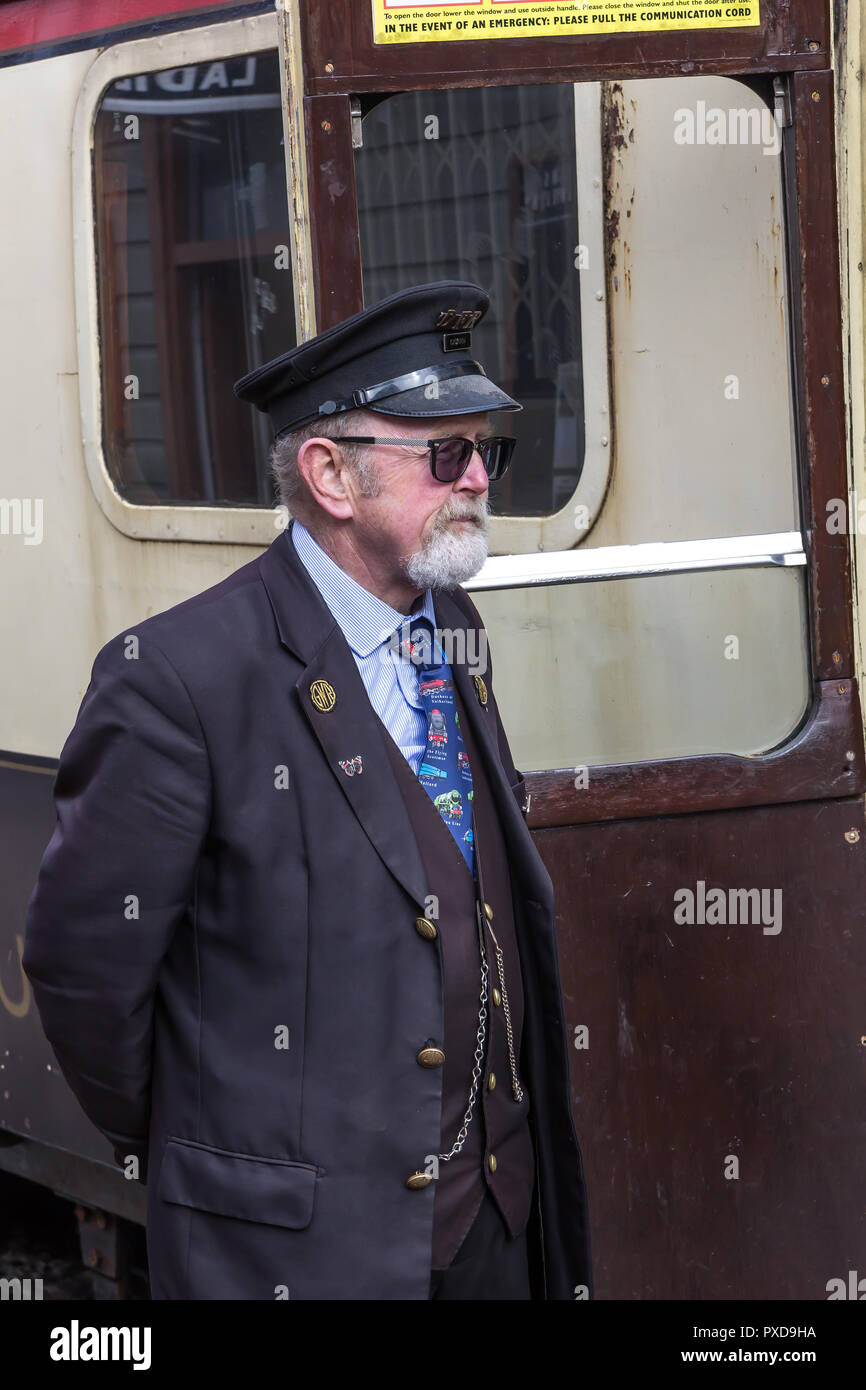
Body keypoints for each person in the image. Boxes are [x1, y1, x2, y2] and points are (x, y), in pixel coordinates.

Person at [23, 279, 592, 1300]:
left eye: (484, 452)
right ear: (329, 474)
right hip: (301, 1253)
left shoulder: (450, 626)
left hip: (496, 1226)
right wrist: (229, 1152)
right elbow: (83, 969)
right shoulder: (176, 678)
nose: (476, 481)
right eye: (442, 453)